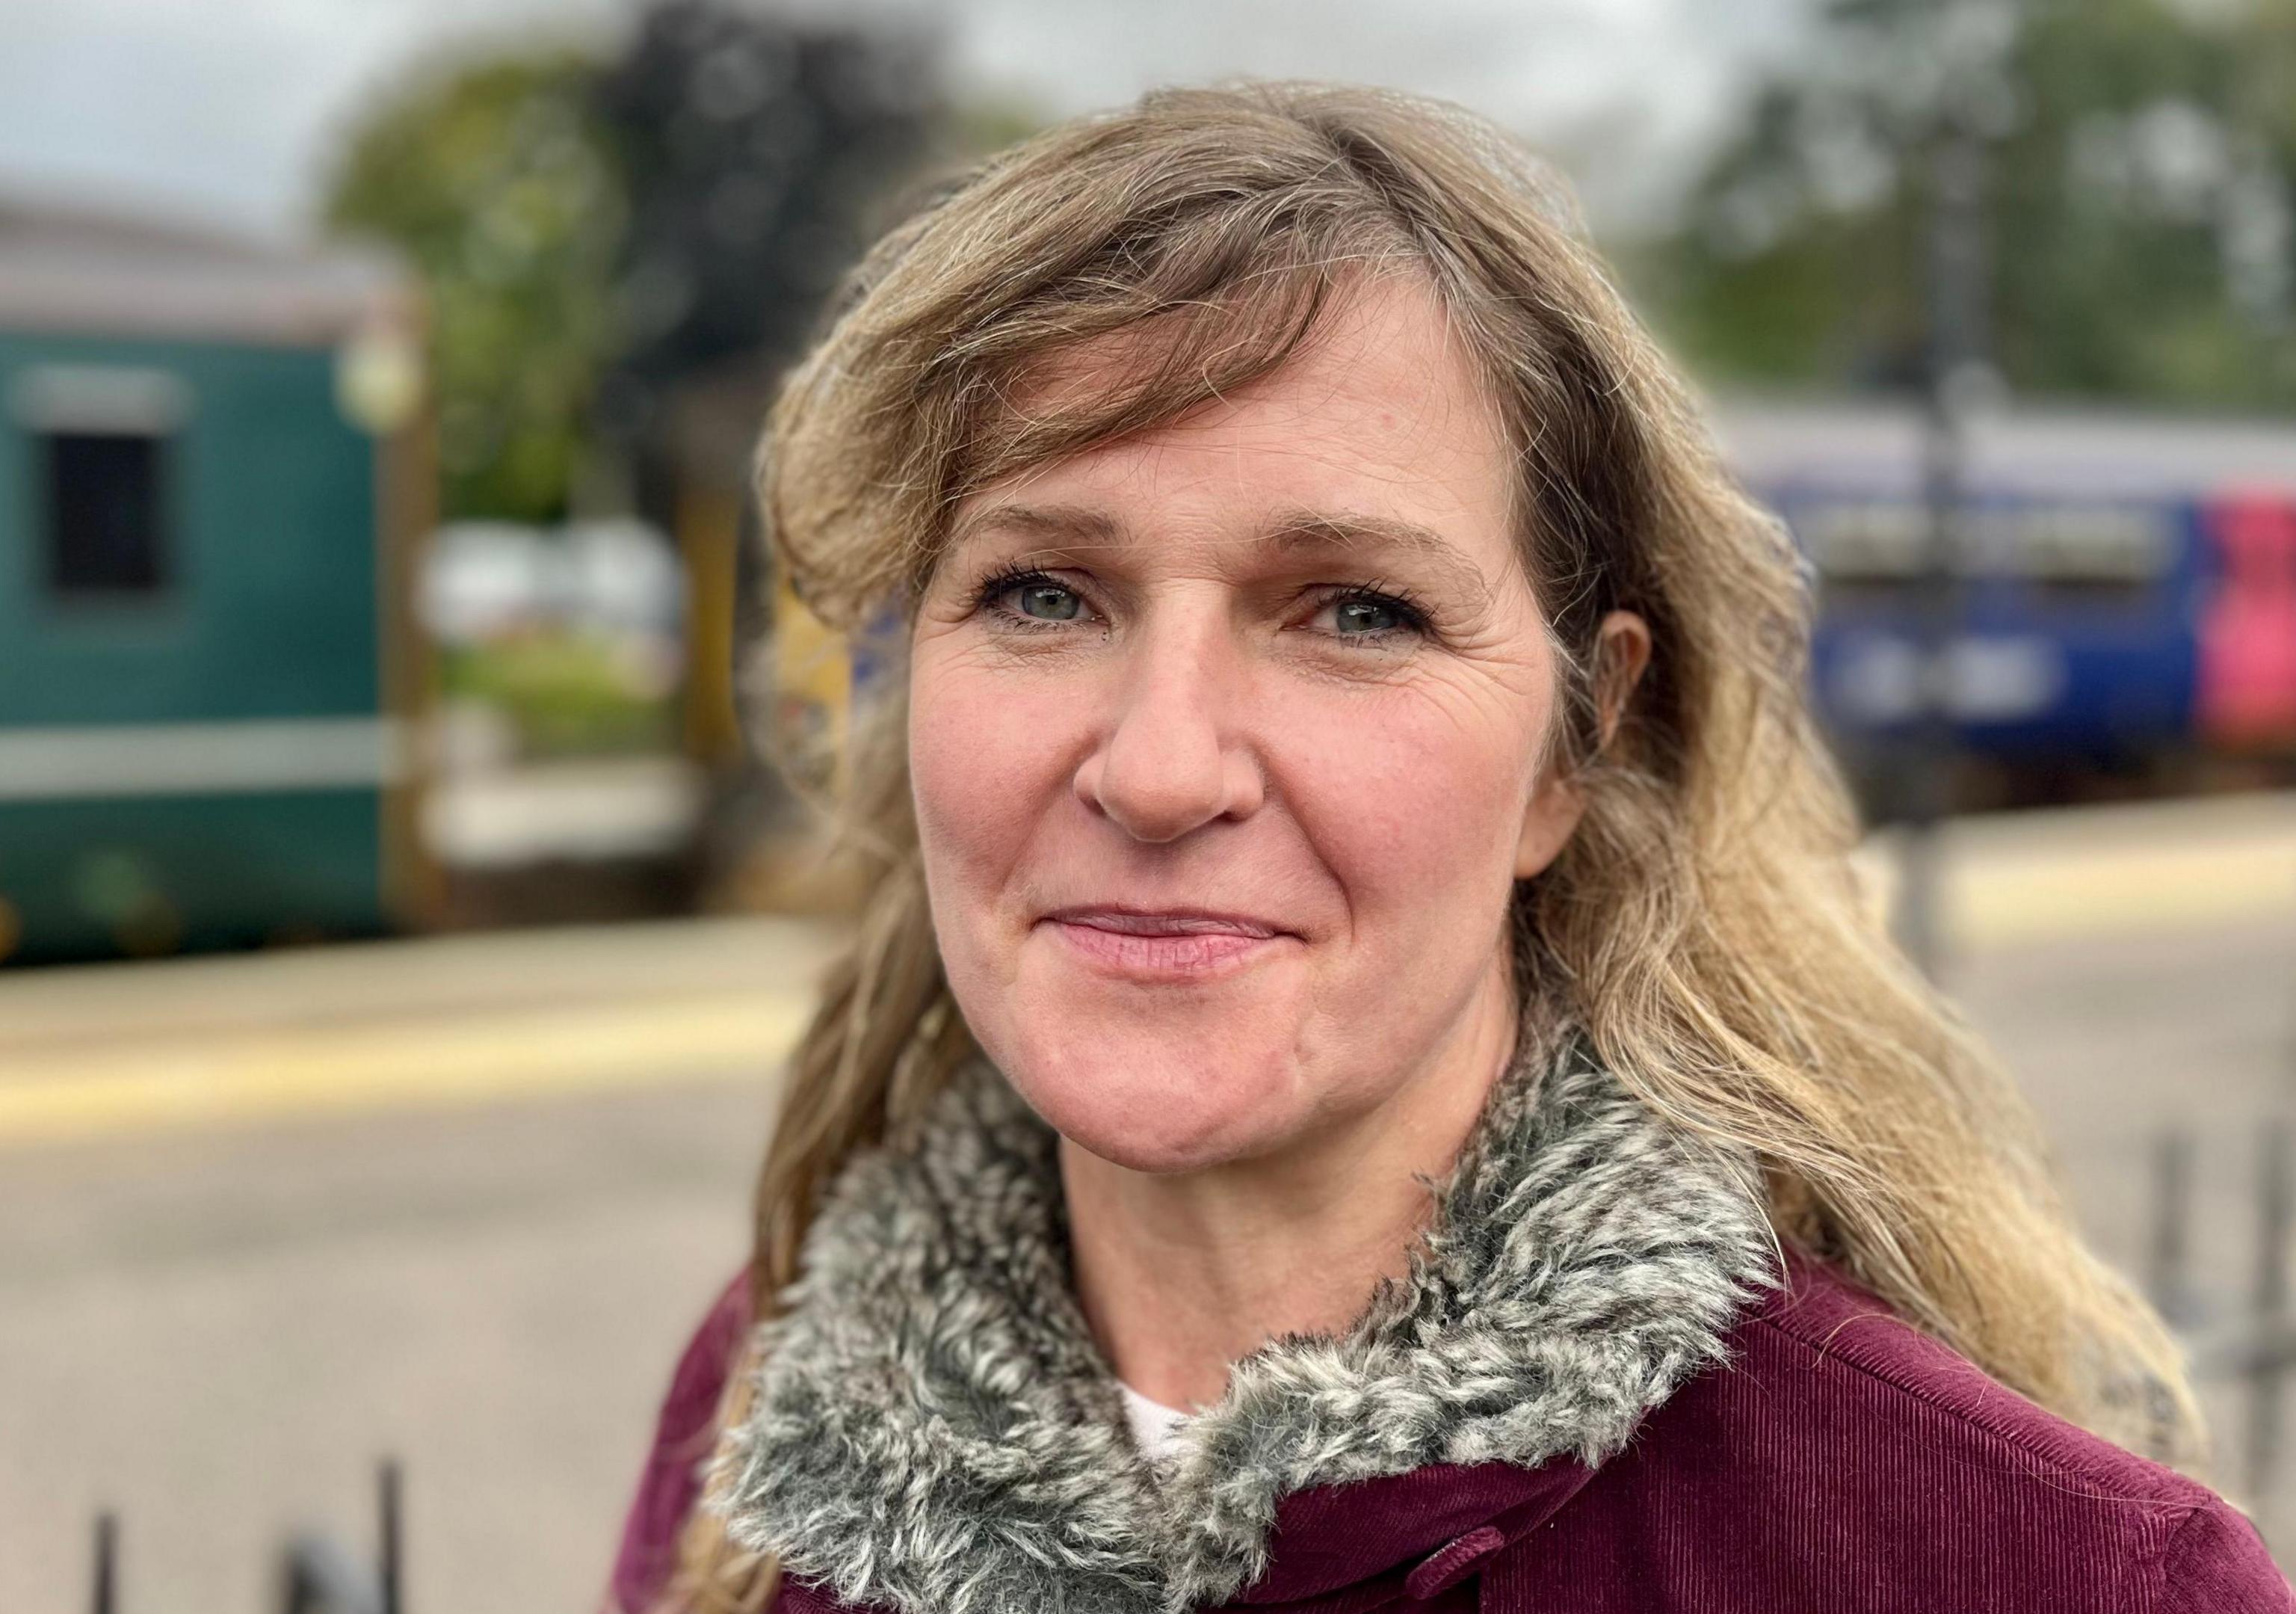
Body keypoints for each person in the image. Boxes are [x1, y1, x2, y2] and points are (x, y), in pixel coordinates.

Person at [604, 82, 2291, 1613]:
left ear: (1580, 739)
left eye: (1353, 610)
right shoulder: (763, 1417)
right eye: (1043, 593)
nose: (1162, 766)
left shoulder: (2042, 1576)